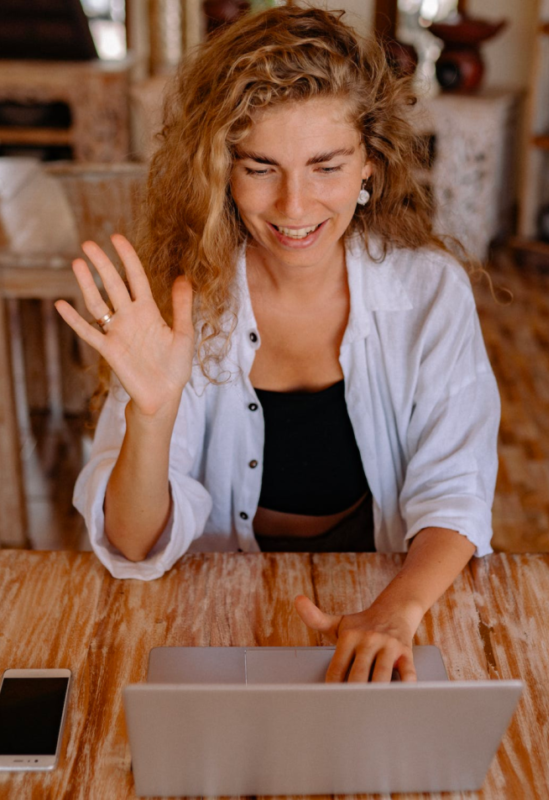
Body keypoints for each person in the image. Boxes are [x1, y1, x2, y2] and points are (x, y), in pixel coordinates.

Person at [55, 6, 500, 684]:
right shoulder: (185, 301)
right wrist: (152, 416)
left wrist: (394, 612)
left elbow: (455, 491)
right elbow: (133, 543)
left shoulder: (428, 292)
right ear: (222, 173)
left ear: (368, 167)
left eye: (326, 166)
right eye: (260, 167)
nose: (295, 207)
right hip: (210, 613)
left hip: (388, 593)